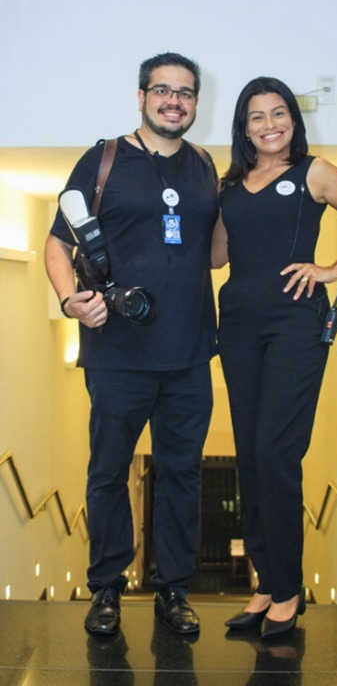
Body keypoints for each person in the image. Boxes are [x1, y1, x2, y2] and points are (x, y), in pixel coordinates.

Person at [211, 77, 337, 639]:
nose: (270, 124)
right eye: (257, 116)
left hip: (295, 320)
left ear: (293, 118)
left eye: (279, 113)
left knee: (276, 451)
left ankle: (289, 590)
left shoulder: (315, 172)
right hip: (238, 321)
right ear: (243, 127)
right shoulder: (231, 184)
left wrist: (331, 269)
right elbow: (217, 256)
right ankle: (265, 584)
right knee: (249, 454)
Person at [45, 52, 219, 636]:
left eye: (186, 93)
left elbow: (213, 250)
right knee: (108, 472)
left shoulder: (201, 165)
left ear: (196, 102)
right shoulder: (103, 159)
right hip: (117, 354)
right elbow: (54, 243)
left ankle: (173, 588)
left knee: (181, 474)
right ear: (142, 96)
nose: (175, 101)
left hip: (191, 353)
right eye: (164, 90)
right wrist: (72, 300)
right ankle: (107, 590)